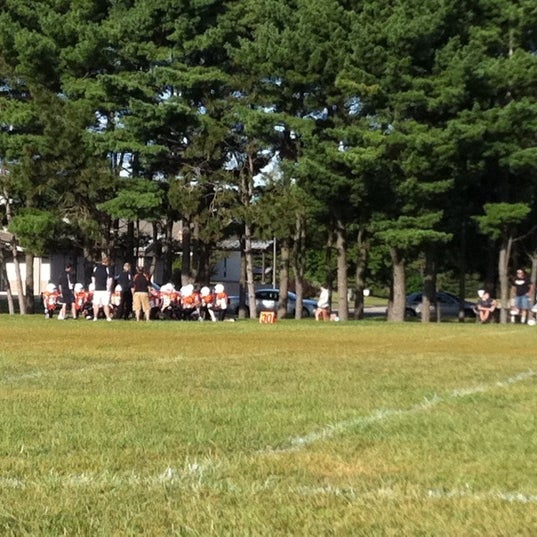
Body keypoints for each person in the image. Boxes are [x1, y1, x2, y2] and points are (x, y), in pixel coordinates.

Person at [92, 255, 114, 321]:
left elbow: (93, 278)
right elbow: (110, 280)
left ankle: (95, 317)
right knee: (106, 304)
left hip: (97, 289)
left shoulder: (95, 268)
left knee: (96, 304)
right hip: (105, 290)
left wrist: (94, 286)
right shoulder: (108, 269)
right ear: (107, 262)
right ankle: (108, 317)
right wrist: (109, 288)